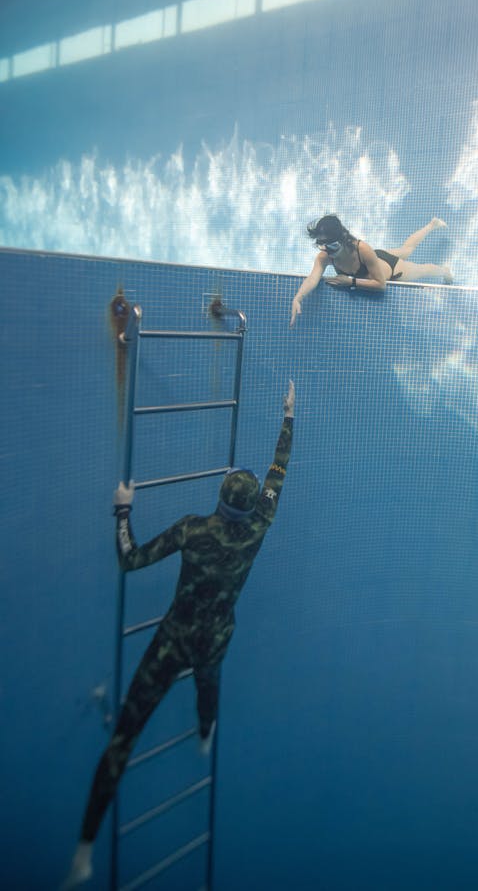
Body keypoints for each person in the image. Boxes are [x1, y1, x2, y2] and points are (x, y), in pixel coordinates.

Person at [62, 380, 295, 889]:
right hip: (214, 640)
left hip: (171, 641)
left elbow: (131, 559)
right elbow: (279, 474)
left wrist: (122, 509)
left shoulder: (193, 529)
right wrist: (288, 418)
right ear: (252, 506)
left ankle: (83, 853)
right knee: (209, 687)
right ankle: (206, 733)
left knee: (125, 737)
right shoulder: (260, 526)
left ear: (220, 498)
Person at [289, 215, 452, 327]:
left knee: (420, 268)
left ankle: (444, 270)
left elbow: (381, 284)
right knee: (406, 249)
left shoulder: (362, 249)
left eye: (331, 246)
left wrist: (350, 282)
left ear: (342, 239)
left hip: (392, 269)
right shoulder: (325, 256)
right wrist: (298, 297)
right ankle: (433, 224)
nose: (326, 250)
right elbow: (312, 278)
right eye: (321, 245)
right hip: (375, 259)